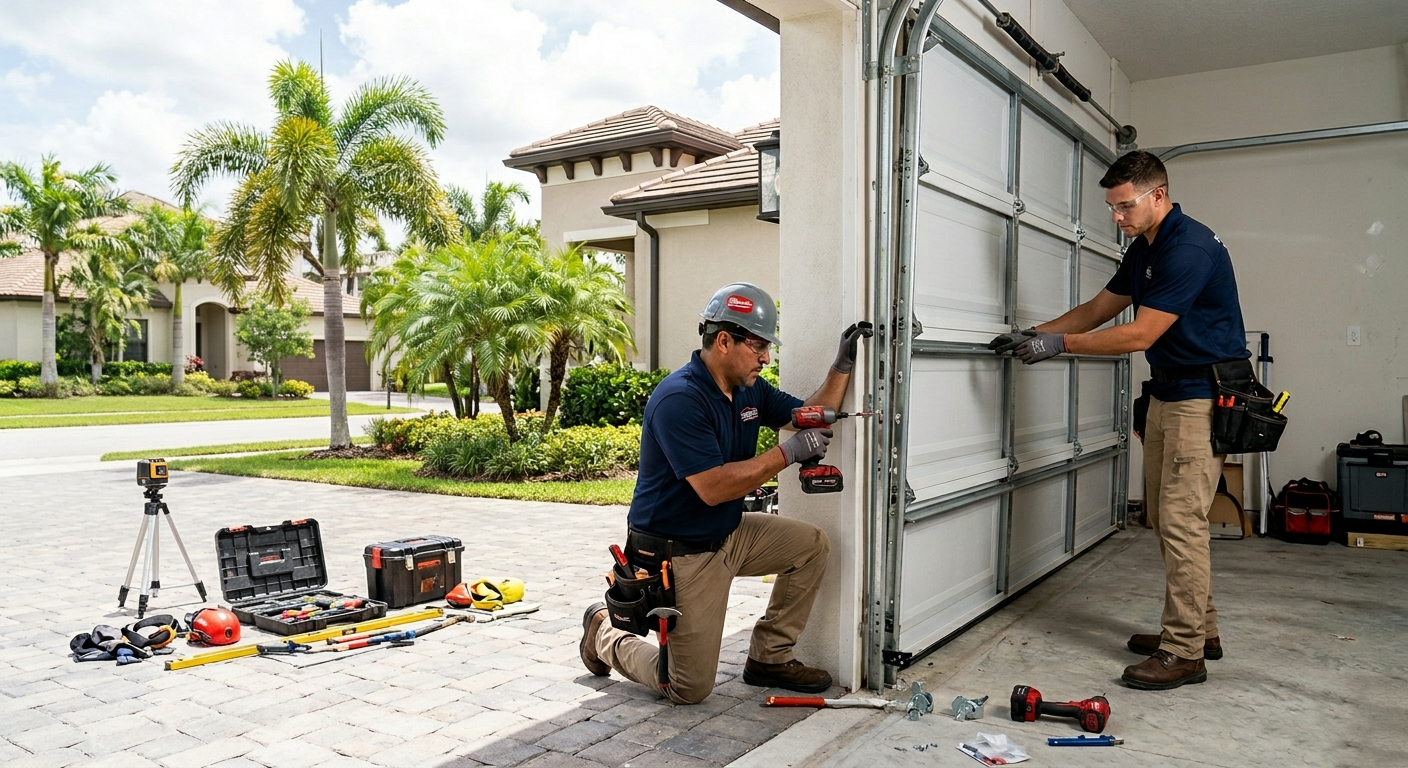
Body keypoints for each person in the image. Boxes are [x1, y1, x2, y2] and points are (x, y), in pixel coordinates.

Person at [987, 150, 1250, 691]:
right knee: (1167, 518)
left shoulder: (1188, 248)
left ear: (1158, 195)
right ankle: (1201, 632)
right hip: (1168, 394)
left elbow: (1140, 334)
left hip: (1201, 399)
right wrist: (1036, 333)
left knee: (1181, 522)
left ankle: (1184, 652)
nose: (1116, 216)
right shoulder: (1146, 246)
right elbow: (1098, 309)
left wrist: (1060, 346)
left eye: (1125, 205)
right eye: (1112, 206)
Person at [579, 282, 871, 703]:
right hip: (680, 553)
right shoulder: (680, 398)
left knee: (811, 545)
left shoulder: (749, 388)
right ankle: (602, 633)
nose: (766, 358)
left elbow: (808, 415)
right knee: (687, 687)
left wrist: (842, 366)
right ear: (723, 341)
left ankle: (769, 657)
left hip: (728, 532)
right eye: (759, 347)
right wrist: (787, 453)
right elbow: (714, 487)